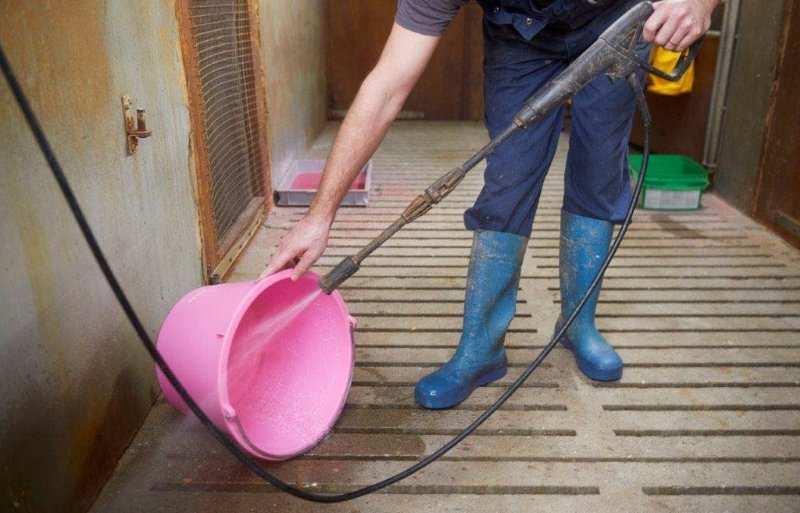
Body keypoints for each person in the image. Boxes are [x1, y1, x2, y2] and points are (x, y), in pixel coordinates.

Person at [259, 0, 719, 409]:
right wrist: (319, 217)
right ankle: (482, 350)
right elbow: (385, 88)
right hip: (520, 35)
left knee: (599, 172)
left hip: (618, 19)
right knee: (508, 181)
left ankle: (579, 325)